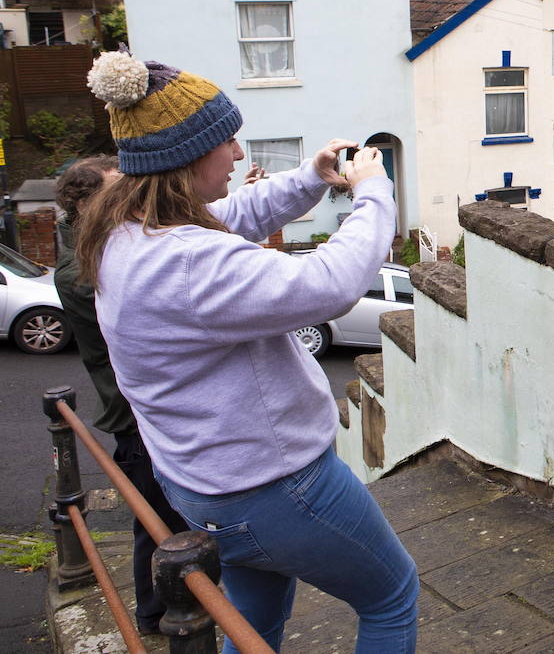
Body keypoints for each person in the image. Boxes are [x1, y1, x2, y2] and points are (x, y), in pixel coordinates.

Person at [77, 53, 418, 653]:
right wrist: (373, 193)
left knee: (253, 621)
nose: (238, 154)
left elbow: (232, 216)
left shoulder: (124, 231)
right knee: (392, 597)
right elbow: (331, 285)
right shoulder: (187, 261)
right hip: (277, 490)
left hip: (202, 486)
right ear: (183, 157)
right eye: (226, 141)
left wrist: (311, 176)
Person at [55, 155, 190, 636]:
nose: (129, 197)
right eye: (117, 189)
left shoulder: (102, 246)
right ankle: (156, 615)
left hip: (138, 409)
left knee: (170, 518)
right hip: (135, 417)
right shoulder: (82, 265)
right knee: (155, 523)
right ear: (88, 201)